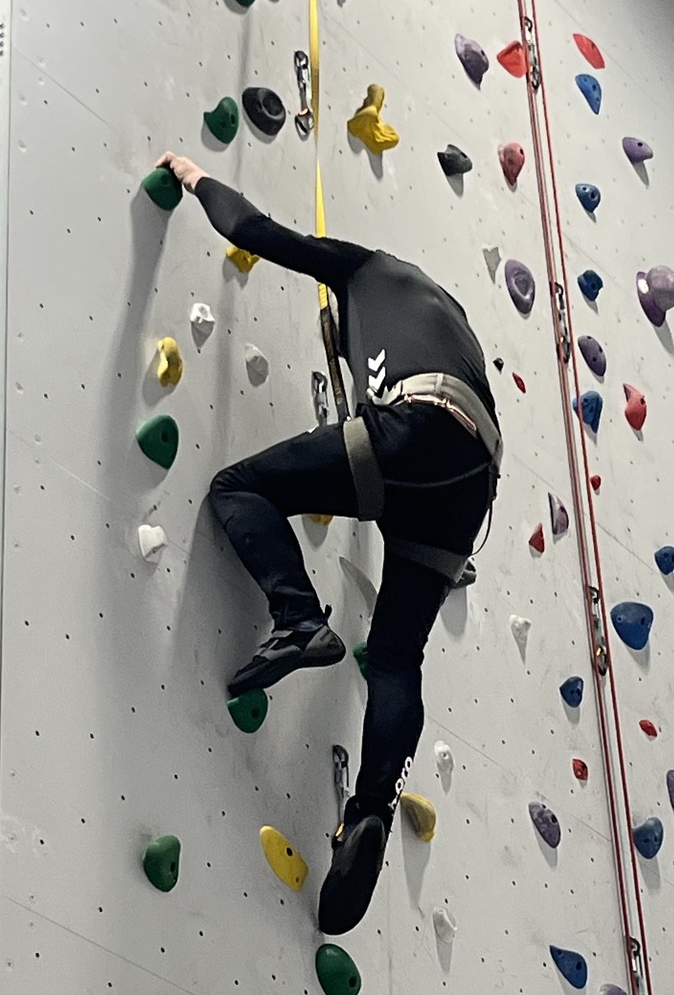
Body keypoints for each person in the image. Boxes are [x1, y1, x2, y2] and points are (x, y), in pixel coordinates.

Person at [157, 152, 501, 934]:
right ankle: (370, 805)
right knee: (396, 658)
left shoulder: (363, 268)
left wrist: (195, 176)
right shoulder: (446, 322)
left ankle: (297, 618)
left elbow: (252, 229)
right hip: (469, 484)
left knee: (239, 489)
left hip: (415, 429)